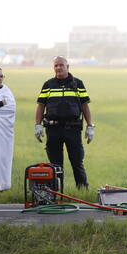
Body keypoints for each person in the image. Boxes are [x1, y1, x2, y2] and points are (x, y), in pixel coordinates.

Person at [34, 56, 94, 188]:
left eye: (61, 65)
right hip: (53, 129)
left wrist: (90, 126)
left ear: (68, 67)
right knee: (55, 164)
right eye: (56, 65)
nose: (58, 68)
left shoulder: (78, 84)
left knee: (77, 161)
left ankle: (83, 189)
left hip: (73, 129)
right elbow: (41, 106)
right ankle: (57, 192)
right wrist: (37, 125)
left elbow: (85, 105)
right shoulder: (48, 85)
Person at [0, 66, 16, 191]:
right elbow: (3, 104)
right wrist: (1, 104)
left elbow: (11, 106)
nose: (0, 79)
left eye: (1, 76)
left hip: (4, 133)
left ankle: (2, 185)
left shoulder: (7, 91)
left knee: (2, 158)